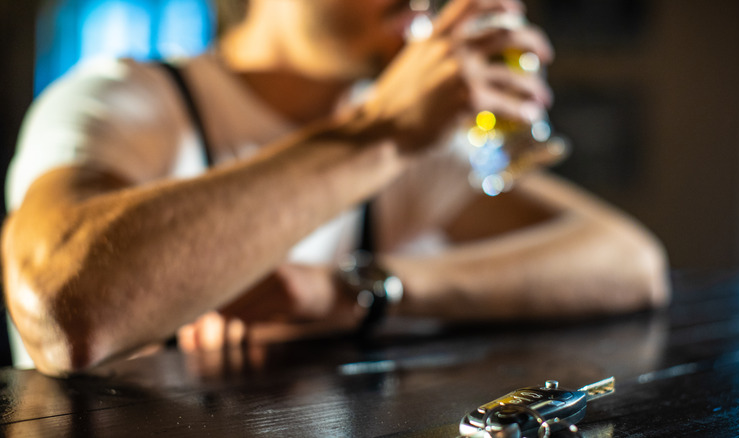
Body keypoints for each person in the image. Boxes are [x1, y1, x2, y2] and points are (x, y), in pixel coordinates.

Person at [2, 0, 669, 377]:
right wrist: (381, 132)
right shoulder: (121, 101)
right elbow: (66, 314)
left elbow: (629, 263)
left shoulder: (413, 138)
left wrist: (353, 291)